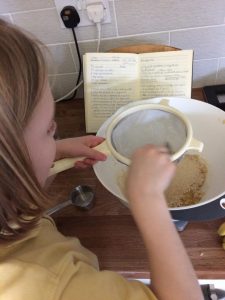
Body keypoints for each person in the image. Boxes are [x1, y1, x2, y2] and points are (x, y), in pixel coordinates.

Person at [0, 19, 203, 300]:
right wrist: (147, 199)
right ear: (9, 164)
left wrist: (54, 152)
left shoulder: (7, 204)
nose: (57, 131)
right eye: (48, 129)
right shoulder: (48, 287)